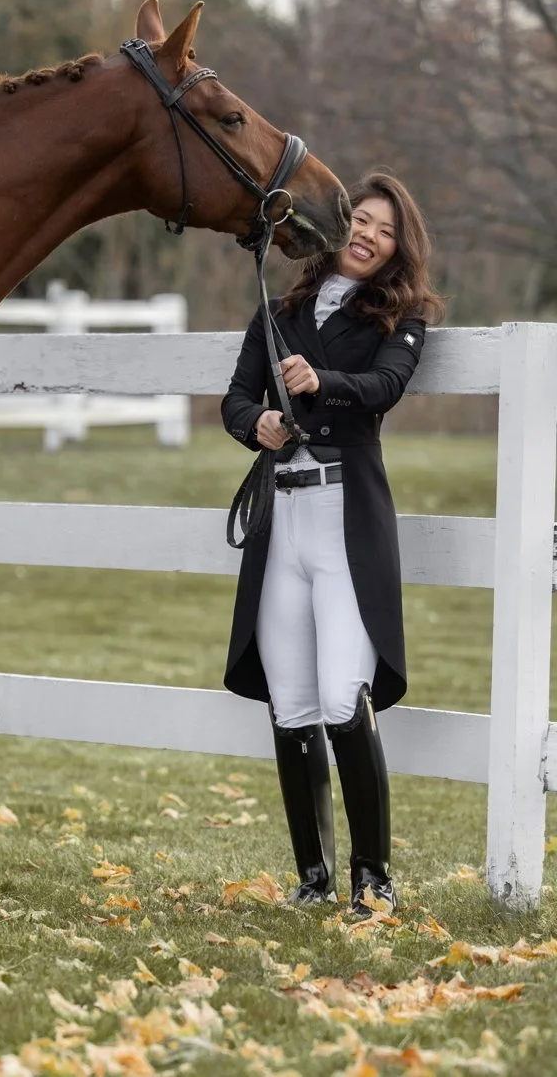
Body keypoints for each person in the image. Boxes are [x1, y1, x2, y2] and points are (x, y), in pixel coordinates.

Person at [221, 171, 445, 915]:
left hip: (346, 523)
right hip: (281, 524)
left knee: (347, 699)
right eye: (362, 221)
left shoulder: (401, 317)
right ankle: (314, 877)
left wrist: (321, 382)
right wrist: (258, 423)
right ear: (341, 224)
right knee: (290, 705)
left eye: (385, 230)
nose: (369, 235)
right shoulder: (279, 308)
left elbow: (383, 388)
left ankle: (372, 876)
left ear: (395, 250)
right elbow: (236, 396)